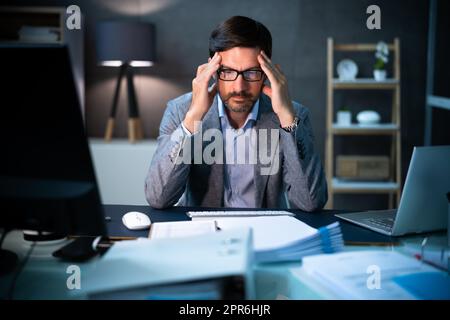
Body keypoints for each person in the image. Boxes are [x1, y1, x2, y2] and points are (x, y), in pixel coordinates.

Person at [145, 16, 327, 211]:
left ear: (268, 73)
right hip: (204, 233)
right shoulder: (181, 111)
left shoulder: (294, 115)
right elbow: (158, 197)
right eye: (228, 72)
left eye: (251, 72)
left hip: (265, 232)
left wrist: (286, 118)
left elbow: (311, 202)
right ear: (212, 71)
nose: (239, 87)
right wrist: (193, 119)